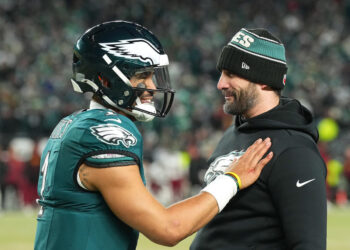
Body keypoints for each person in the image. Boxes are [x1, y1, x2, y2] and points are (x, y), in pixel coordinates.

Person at [33, 21, 273, 250]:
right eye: (142, 76)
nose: (151, 87)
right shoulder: (104, 133)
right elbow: (168, 228)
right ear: (106, 79)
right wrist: (232, 178)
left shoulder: (72, 124)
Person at [190, 28, 327, 250]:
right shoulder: (233, 133)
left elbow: (308, 245)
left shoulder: (295, 152)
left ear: (263, 79)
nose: (220, 84)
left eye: (231, 74)